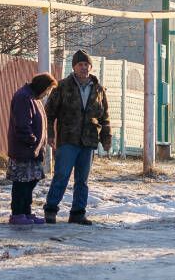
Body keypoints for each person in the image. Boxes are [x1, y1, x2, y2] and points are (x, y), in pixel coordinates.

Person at [42, 49, 111, 225]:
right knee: (62, 175)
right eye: (80, 64)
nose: (84, 68)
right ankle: (51, 210)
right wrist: (50, 134)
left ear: (91, 67)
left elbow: (105, 117)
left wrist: (106, 138)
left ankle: (78, 213)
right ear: (74, 67)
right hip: (68, 139)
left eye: (86, 64)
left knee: (82, 180)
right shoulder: (62, 86)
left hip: (88, 140)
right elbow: (49, 113)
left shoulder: (99, 89)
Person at [7, 73, 56, 225]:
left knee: (30, 182)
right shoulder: (24, 97)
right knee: (21, 183)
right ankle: (17, 214)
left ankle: (26, 212)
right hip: (24, 150)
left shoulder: (34, 98)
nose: (47, 93)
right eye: (48, 90)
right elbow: (22, 124)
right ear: (42, 87)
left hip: (33, 150)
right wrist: (31, 140)